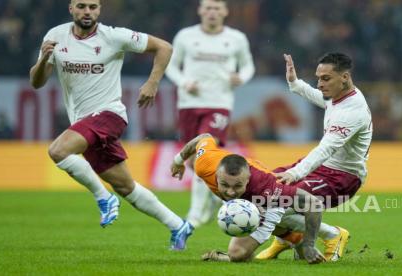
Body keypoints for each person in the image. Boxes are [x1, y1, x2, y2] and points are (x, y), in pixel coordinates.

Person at [29, 0, 193, 250]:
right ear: (71, 8)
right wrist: (44, 60)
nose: (87, 12)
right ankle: (176, 224)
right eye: (82, 6)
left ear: (99, 10)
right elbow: (37, 82)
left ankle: (103, 198)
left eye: (93, 7)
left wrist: (153, 82)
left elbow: (164, 47)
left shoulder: (114, 36)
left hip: (109, 114)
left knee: (58, 151)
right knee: (125, 186)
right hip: (84, 121)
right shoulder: (55, 35)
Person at [258, 52, 373, 260]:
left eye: (325, 78)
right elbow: (318, 97)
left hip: (342, 177)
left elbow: (326, 148)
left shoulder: (352, 111)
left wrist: (295, 172)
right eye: (319, 78)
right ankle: (288, 238)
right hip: (321, 167)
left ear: (345, 77)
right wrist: (294, 82)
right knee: (259, 188)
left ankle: (333, 235)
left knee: (274, 202)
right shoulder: (338, 96)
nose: (320, 84)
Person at [171, 133, 339, 264]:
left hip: (267, 203)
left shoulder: (267, 187)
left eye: (237, 186)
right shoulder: (203, 164)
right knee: (251, 243)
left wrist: (310, 245)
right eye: (224, 185)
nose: (230, 192)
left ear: (247, 178)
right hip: (250, 199)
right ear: (216, 174)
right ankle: (294, 238)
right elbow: (204, 137)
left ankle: (321, 237)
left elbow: (313, 203)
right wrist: (178, 160)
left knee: (237, 255)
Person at [165, 0, 255, 228]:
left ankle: (195, 214)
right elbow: (171, 66)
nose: (212, 12)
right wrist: (184, 81)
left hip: (219, 103)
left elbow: (248, 66)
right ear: (200, 11)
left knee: (203, 152)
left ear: (225, 11)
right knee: (192, 161)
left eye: (217, 8)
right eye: (208, 8)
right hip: (189, 104)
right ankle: (217, 196)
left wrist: (241, 78)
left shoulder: (236, 38)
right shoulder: (185, 36)